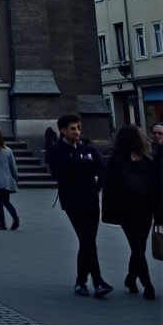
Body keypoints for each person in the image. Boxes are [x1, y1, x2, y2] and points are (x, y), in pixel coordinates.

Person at [46, 112, 111, 296]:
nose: (77, 132)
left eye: (78, 128)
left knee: (87, 241)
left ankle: (80, 281)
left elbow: (101, 169)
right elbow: (60, 174)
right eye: (73, 128)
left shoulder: (88, 148)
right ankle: (98, 281)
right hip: (73, 201)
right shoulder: (55, 151)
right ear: (63, 130)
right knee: (87, 239)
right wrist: (83, 167)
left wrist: (94, 181)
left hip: (91, 199)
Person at [101, 123, 155, 299]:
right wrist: (111, 212)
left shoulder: (146, 159)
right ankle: (147, 285)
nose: (144, 136)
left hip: (145, 210)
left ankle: (131, 278)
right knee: (137, 247)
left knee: (139, 247)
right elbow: (109, 187)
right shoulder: (117, 160)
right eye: (141, 133)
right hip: (127, 211)